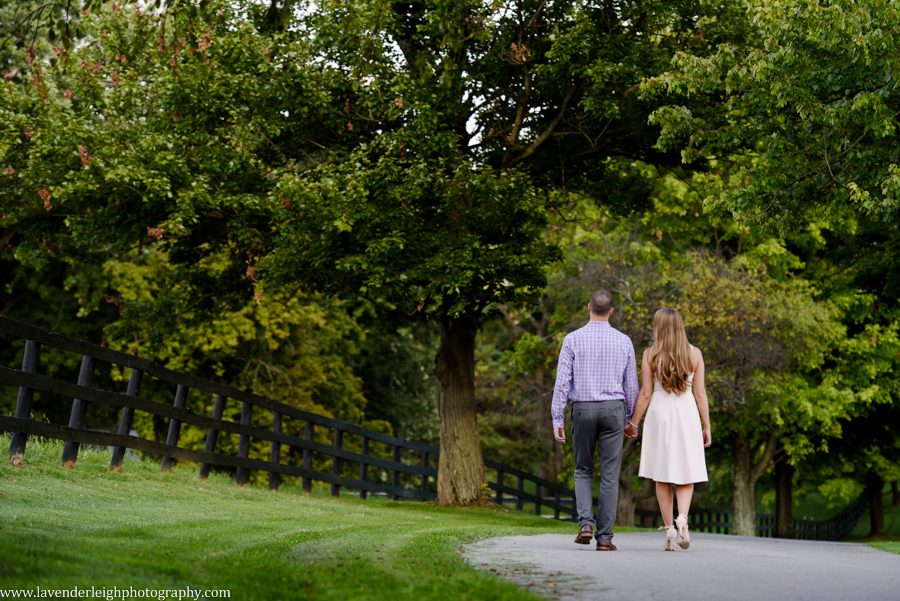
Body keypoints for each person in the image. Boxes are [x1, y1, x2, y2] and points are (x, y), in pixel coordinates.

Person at [551, 290, 639, 551]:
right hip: (613, 409)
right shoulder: (624, 341)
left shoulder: (572, 340)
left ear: (589, 307)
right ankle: (604, 539)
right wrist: (630, 420)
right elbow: (631, 386)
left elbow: (561, 383)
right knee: (610, 474)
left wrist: (557, 417)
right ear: (612, 311)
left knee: (582, 469)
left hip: (583, 409)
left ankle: (585, 524)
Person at [629, 307, 712, 551]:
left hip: (660, 415)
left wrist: (633, 422)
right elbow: (700, 393)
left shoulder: (650, 354)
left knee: (662, 474)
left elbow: (645, 393)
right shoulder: (694, 354)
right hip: (686, 413)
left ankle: (669, 532)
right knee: (686, 471)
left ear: (660, 328)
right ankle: (683, 520)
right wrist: (706, 425)